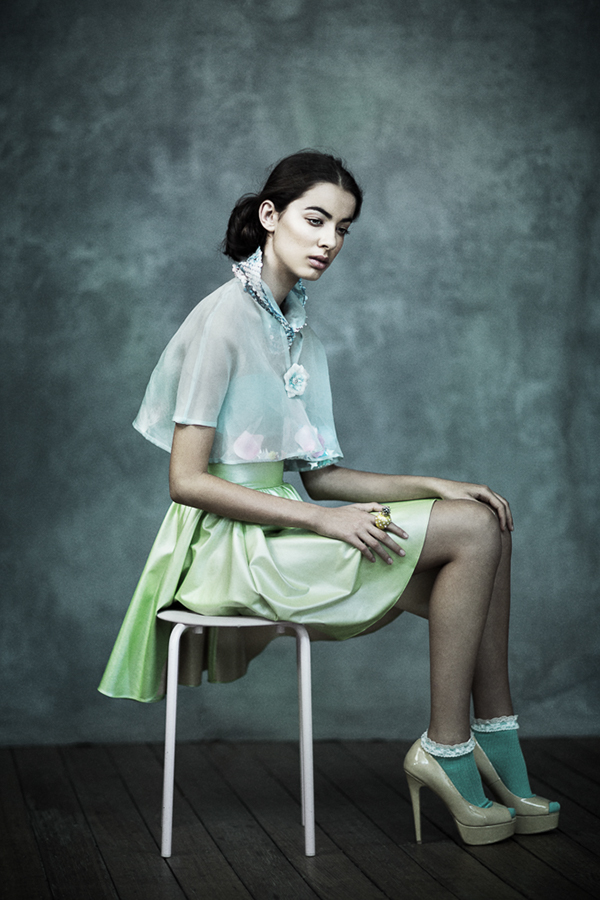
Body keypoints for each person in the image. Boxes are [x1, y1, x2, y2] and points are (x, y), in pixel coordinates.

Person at [99, 149, 559, 845]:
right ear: (270, 215)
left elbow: (321, 475)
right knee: (471, 534)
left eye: (342, 228)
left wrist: (432, 484)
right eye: (315, 220)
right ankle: (449, 746)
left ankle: (489, 734)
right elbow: (187, 482)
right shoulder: (223, 319)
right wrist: (322, 521)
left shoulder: (296, 328)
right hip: (227, 548)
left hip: (286, 525)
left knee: (482, 523)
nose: (329, 241)